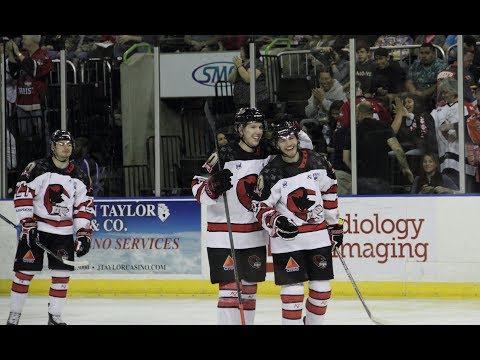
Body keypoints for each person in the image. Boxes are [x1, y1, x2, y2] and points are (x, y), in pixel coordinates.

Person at [191, 107, 312, 325]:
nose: (257, 131)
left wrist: (294, 127)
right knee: (229, 291)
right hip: (223, 234)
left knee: (248, 290)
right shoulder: (223, 155)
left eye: (260, 127)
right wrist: (212, 187)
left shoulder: (269, 151)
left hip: (254, 235)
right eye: (252, 127)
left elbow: (304, 148)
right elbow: (197, 188)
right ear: (240, 130)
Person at [251, 120, 344, 325]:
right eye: (282, 140)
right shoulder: (271, 172)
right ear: (276, 144)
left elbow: (330, 192)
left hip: (317, 236)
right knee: (293, 292)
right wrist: (277, 220)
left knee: (322, 290)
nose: (288, 144)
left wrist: (334, 225)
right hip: (287, 240)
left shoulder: (318, 161)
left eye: (291, 138)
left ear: (297, 139)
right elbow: (259, 206)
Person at [6, 130, 95, 325]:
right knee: (23, 274)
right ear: (52, 146)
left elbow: (84, 207)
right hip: (37, 229)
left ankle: (54, 317)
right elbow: (23, 195)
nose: (66, 147)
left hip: (62, 234)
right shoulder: (37, 168)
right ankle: (14, 317)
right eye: (61, 143)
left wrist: (83, 234)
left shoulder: (80, 175)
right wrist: (27, 224)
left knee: (62, 276)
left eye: (69, 143)